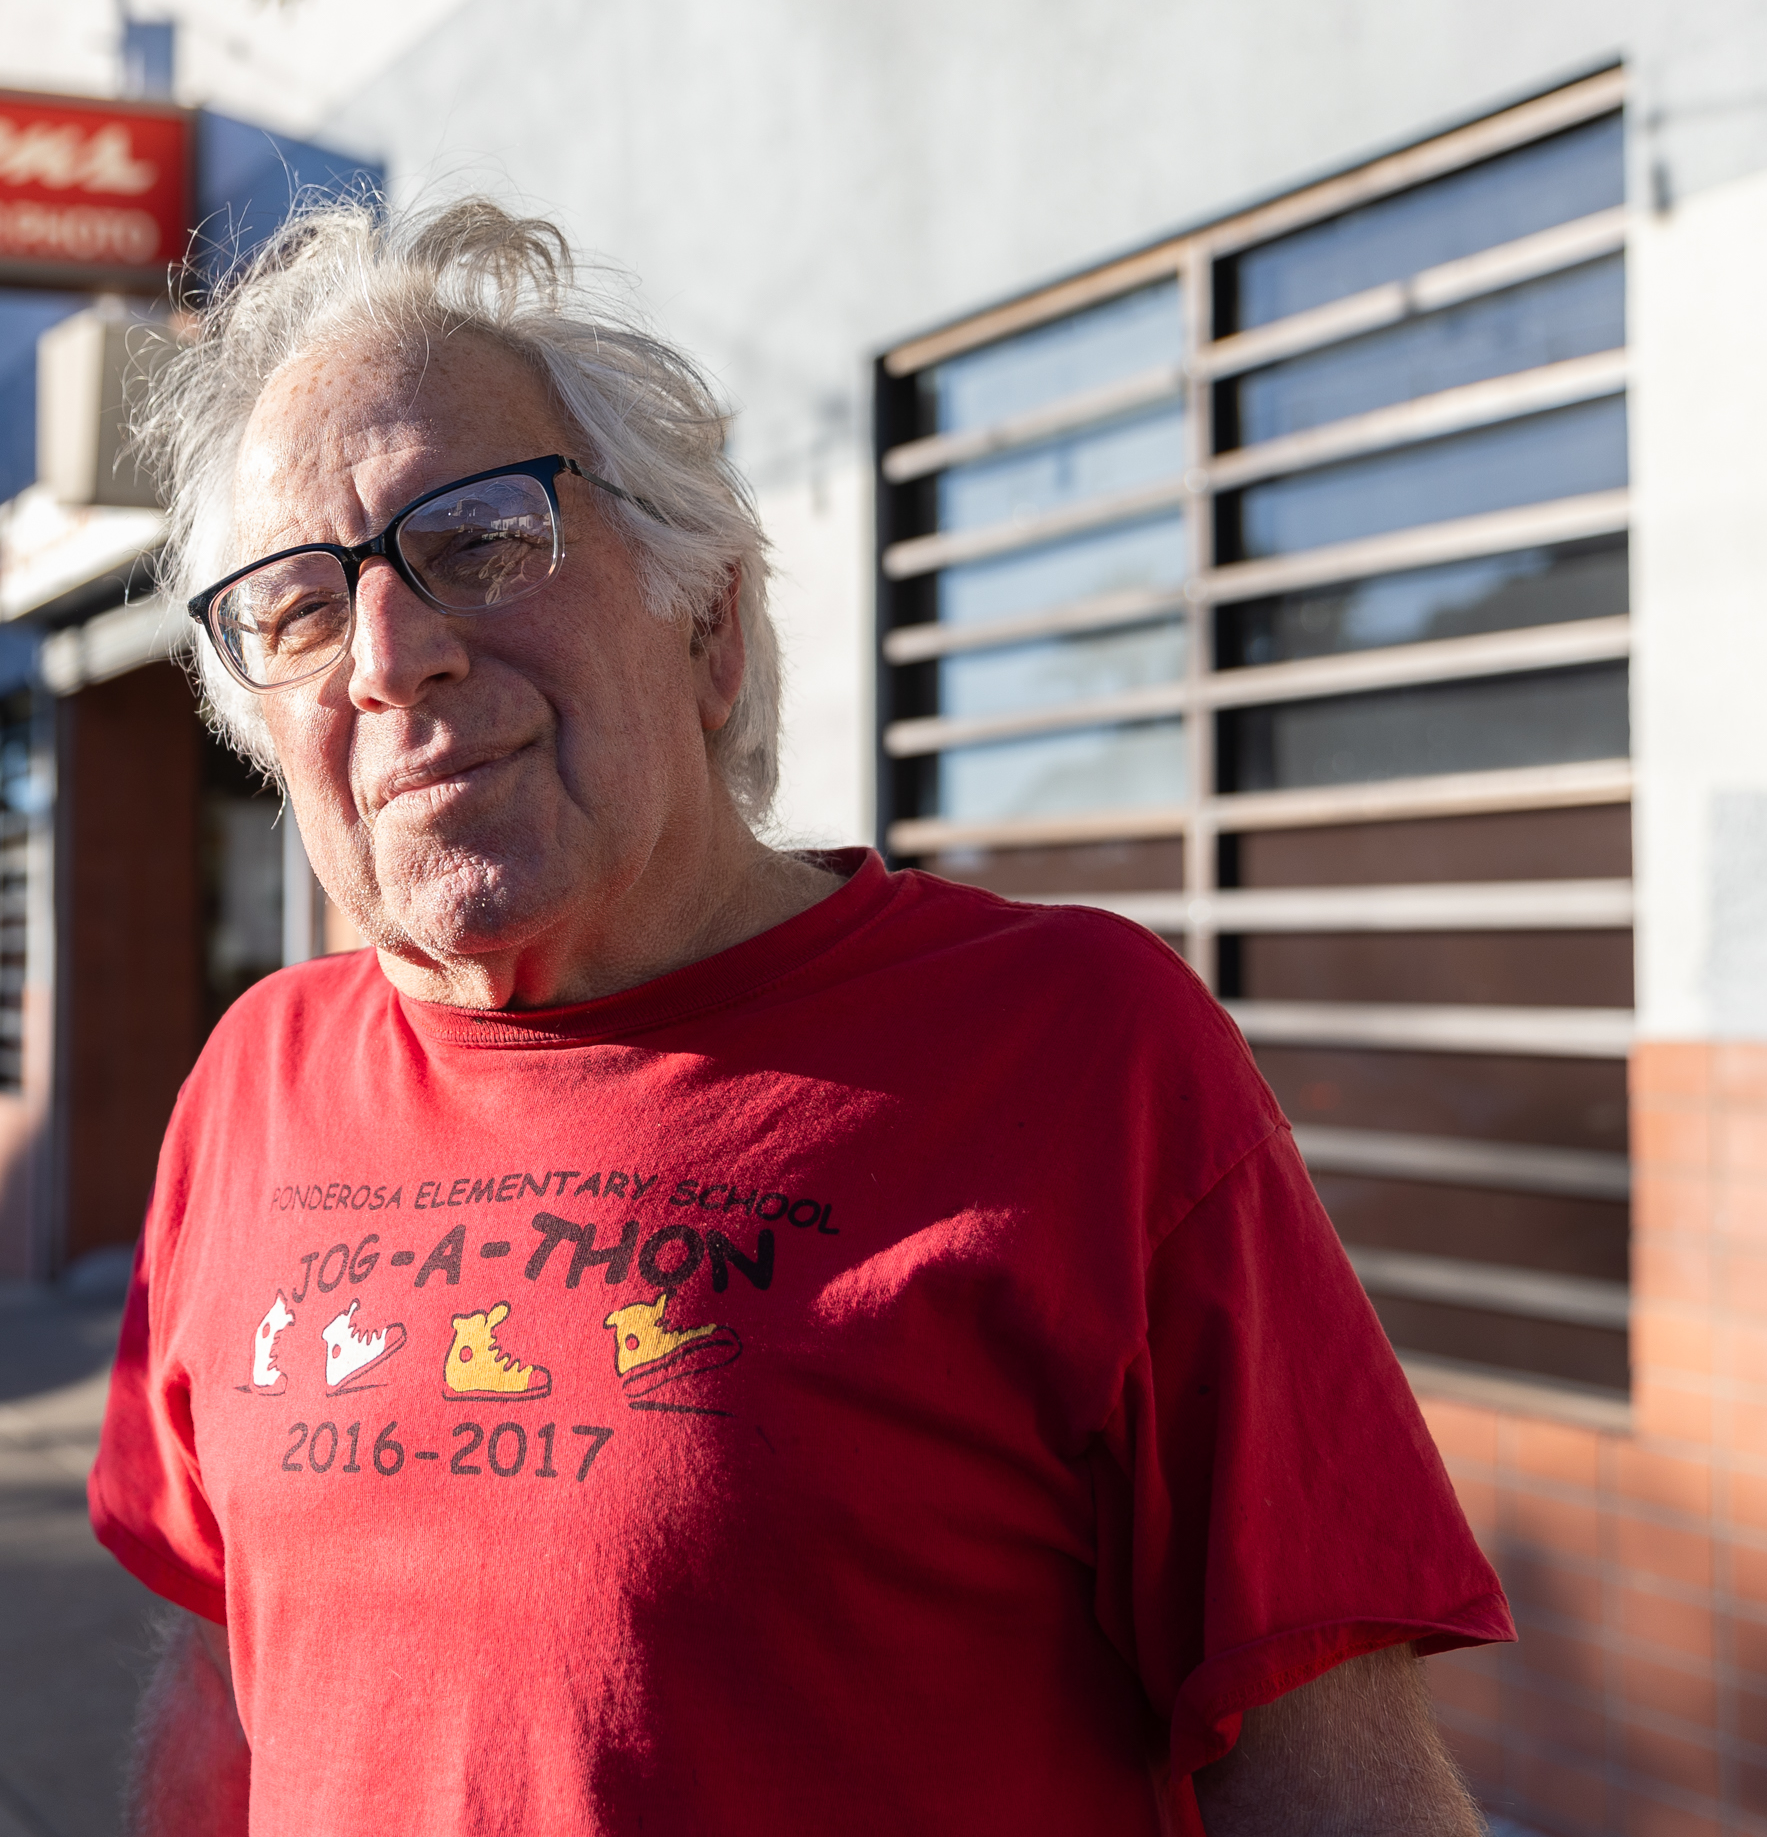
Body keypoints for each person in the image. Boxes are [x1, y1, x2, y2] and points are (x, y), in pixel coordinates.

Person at [89, 200, 1513, 1836]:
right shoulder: (253, 1084)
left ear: (712, 626)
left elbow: (1336, 1784)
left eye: (480, 542)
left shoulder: (1083, 1048)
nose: (392, 657)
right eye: (299, 609)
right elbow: (221, 1670)